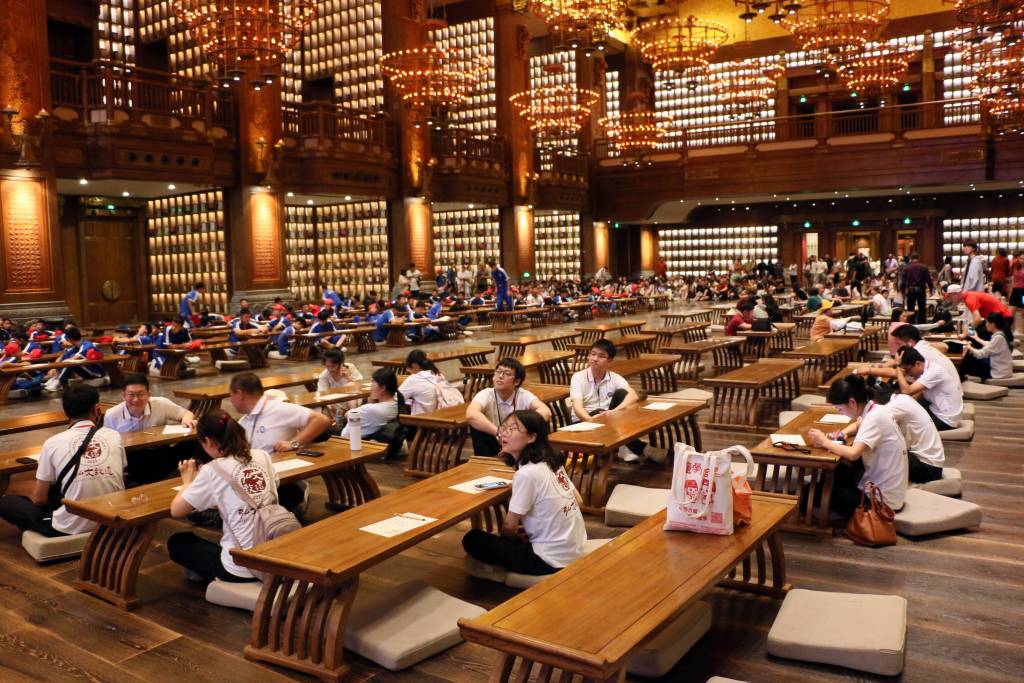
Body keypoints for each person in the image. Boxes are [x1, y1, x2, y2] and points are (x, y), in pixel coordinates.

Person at [461, 410, 586, 576]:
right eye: (503, 428)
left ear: (532, 437)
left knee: (473, 538)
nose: (504, 433)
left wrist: (512, 539)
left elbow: (508, 527)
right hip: (575, 549)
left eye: (513, 429)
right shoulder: (551, 461)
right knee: (515, 534)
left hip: (547, 561)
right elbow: (579, 502)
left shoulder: (526, 473)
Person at [168, 410, 287, 583]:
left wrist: (187, 482)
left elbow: (176, 511)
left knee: (179, 542)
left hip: (241, 569)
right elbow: (272, 487)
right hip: (278, 554)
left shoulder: (212, 469)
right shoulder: (262, 455)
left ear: (207, 441)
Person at [0, 385, 126, 537]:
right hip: (114, 518)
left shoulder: (53, 443)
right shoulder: (114, 436)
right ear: (97, 409)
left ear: (66, 412)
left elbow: (40, 499)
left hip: (69, 528)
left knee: (8, 502)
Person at [807, 375, 907, 519]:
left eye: (840, 409)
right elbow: (859, 427)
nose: (842, 413)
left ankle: (817, 517)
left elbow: (854, 453)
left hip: (882, 500)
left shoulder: (873, 418)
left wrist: (824, 441)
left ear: (852, 402)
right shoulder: (875, 409)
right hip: (888, 489)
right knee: (837, 473)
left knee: (813, 493)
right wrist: (842, 434)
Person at [229, 373, 331, 510]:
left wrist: (294, 443)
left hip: (284, 482)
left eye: (231, 396)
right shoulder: (243, 421)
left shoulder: (278, 409)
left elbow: (321, 420)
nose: (231, 401)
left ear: (239, 394)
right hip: (257, 481)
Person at [830, 380, 944, 484]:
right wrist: (843, 433)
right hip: (931, 461)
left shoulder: (889, 408)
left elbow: (860, 429)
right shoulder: (902, 398)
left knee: (862, 455)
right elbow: (861, 423)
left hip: (927, 467)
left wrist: (834, 438)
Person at [569, 339, 658, 463]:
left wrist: (614, 412)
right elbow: (578, 408)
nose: (595, 358)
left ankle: (624, 445)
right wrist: (593, 421)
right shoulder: (578, 377)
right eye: (593, 354)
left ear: (609, 360)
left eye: (601, 356)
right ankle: (640, 448)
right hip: (584, 421)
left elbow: (633, 395)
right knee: (601, 413)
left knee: (622, 394)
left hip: (608, 419)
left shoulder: (615, 378)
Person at [103, 373, 197, 483]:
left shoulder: (161, 403)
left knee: (193, 440)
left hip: (161, 452)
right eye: (131, 395)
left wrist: (186, 419)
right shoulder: (112, 415)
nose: (136, 399)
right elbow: (107, 444)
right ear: (123, 395)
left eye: (141, 394)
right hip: (133, 458)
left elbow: (186, 413)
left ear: (149, 394)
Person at [466, 357, 551, 456]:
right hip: (493, 441)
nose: (500, 376)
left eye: (506, 373)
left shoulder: (523, 395)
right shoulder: (486, 394)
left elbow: (546, 412)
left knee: (537, 423)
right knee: (475, 423)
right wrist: (499, 432)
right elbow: (471, 414)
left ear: (517, 381)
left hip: (518, 443)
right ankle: (485, 463)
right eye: (498, 372)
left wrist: (516, 428)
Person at [895, 347, 964, 431]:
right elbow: (919, 394)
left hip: (946, 420)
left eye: (907, 369)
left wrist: (898, 367)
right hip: (942, 411)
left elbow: (907, 391)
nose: (907, 374)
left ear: (917, 364)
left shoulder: (934, 371)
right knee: (905, 413)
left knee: (902, 427)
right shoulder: (927, 369)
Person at [340, 368, 402, 441]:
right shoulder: (398, 403)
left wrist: (352, 408)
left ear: (383, 387)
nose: (370, 387)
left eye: (373, 382)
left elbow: (348, 415)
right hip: (371, 439)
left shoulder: (370, 409)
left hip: (349, 442)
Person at [43, 327, 107, 392]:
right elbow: (64, 358)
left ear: (69, 339)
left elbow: (74, 358)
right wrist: (55, 368)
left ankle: (59, 382)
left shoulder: (87, 345)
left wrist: (62, 364)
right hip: (89, 372)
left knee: (71, 362)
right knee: (67, 359)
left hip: (97, 374)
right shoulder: (76, 347)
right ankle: (56, 379)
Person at [959, 312, 1015, 381]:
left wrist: (969, 347)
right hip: (1001, 369)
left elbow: (980, 354)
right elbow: (989, 345)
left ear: (993, 324)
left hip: (998, 372)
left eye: (987, 322)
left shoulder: (998, 338)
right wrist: (977, 338)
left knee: (967, 360)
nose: (986, 325)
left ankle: (961, 381)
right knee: (969, 358)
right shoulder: (1000, 334)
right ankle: (962, 378)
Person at [944, 284, 1011, 336]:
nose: (950, 300)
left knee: (976, 335)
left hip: (1003, 319)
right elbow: (974, 320)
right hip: (999, 318)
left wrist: (967, 333)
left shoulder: (969, 299)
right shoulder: (968, 296)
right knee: (975, 333)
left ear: (956, 294)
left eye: (950, 297)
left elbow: (977, 319)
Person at [398, 349, 446, 416]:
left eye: (408, 368)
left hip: (422, 420)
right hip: (441, 414)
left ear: (415, 365)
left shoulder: (414, 379)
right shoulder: (437, 374)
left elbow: (396, 399)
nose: (408, 371)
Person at [900, 252, 933, 324]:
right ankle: (922, 327)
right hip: (921, 290)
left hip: (910, 290)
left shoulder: (906, 268)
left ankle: (911, 325)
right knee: (922, 310)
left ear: (910, 258)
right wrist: (931, 289)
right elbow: (928, 280)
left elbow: (903, 282)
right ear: (919, 258)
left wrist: (902, 291)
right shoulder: (924, 267)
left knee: (910, 310)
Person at [1011, 255, 1024, 335]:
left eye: (1023, 258)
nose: (1021, 260)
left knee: (1023, 312)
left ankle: (1023, 332)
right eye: (1020, 258)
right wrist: (1010, 292)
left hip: (1023, 292)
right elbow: (1013, 280)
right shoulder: (1016, 267)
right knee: (1010, 312)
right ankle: (1011, 330)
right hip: (1015, 291)